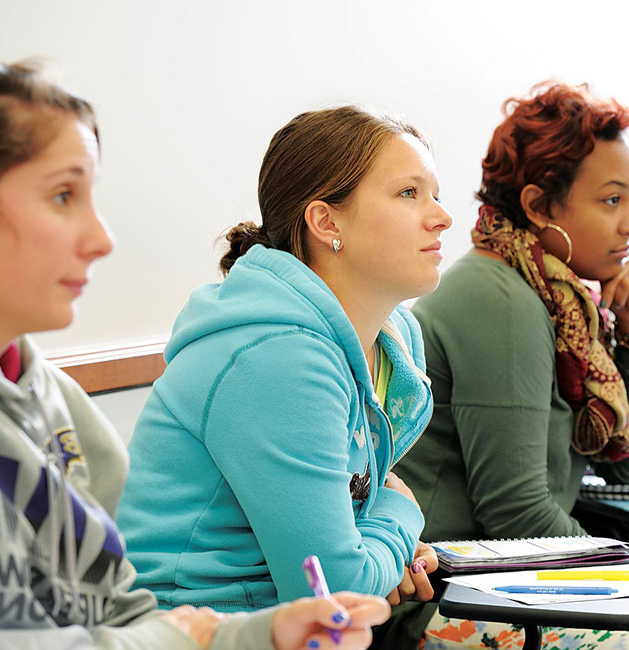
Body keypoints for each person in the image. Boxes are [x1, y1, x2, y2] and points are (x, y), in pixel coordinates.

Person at [0, 56, 388, 649]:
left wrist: (261, 634)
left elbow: (121, 612)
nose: (101, 239)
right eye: (61, 196)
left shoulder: (56, 403)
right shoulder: (276, 353)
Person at [380, 81, 629, 650]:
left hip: (524, 582)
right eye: (610, 200)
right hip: (449, 599)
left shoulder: (566, 302)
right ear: (538, 206)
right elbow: (517, 513)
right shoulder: (500, 298)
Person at [117, 105, 451, 613]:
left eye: (435, 195)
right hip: (193, 630)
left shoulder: (392, 339)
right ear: (325, 220)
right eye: (409, 193)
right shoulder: (279, 357)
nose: (441, 217)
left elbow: (343, 556)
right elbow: (333, 593)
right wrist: (400, 516)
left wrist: (384, 547)